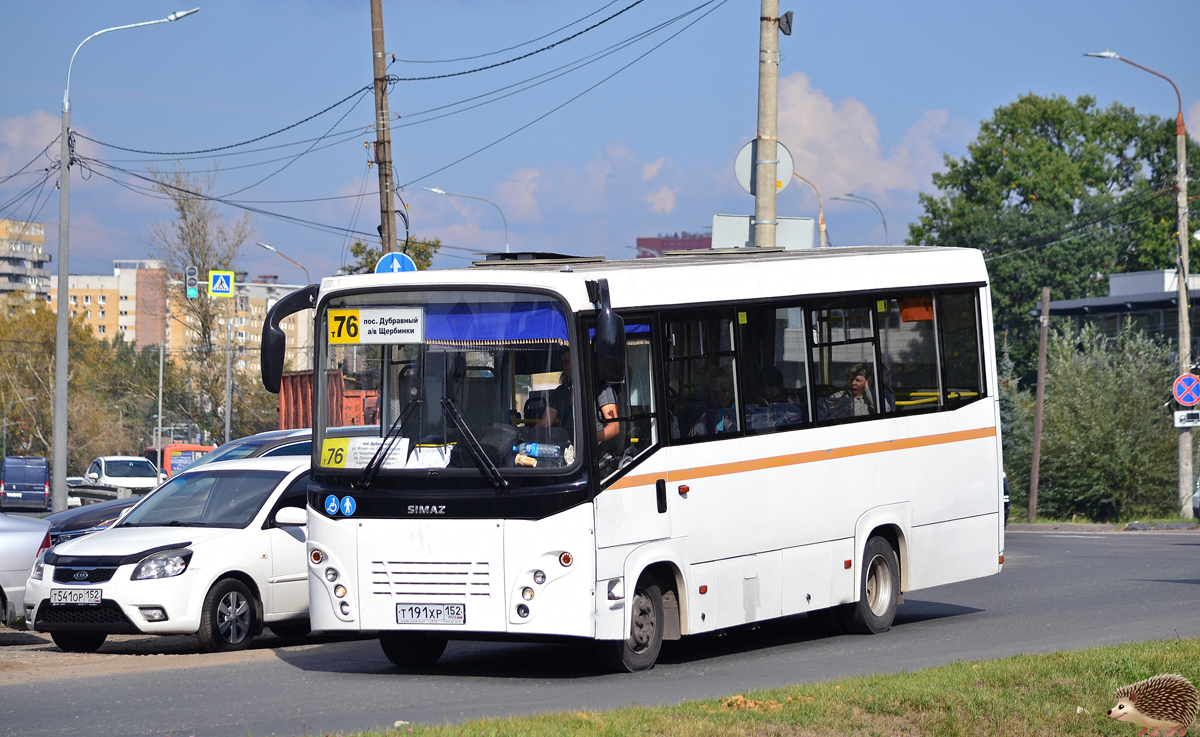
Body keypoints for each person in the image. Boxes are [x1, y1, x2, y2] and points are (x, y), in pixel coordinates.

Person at [538, 351, 620, 444]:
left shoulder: (602, 390)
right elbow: (544, 423)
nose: (569, 367)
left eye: (573, 362)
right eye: (566, 362)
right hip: (567, 450)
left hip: (594, 452)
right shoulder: (560, 392)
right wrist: (528, 434)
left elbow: (614, 427)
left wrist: (587, 439)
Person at [690, 367, 737, 436]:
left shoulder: (738, 413)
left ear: (727, 391)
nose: (712, 397)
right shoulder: (705, 416)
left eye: (716, 393)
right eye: (709, 393)